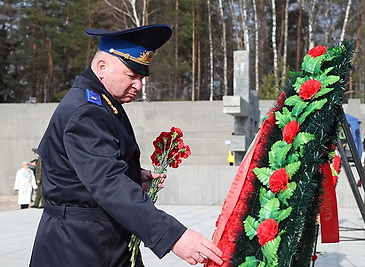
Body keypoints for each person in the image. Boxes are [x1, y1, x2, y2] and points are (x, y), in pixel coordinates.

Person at [29, 24, 223, 267]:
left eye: (141, 77)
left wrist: (132, 176)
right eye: (131, 76)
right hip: (79, 249)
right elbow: (108, 183)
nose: (139, 86)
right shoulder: (87, 111)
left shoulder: (102, 103)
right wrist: (173, 236)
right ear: (102, 67)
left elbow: (90, 172)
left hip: (96, 243)